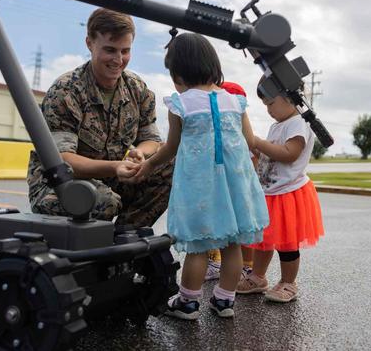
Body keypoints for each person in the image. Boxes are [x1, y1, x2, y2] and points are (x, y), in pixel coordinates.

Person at [133, 33, 269, 319]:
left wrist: (148, 165)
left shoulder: (181, 105)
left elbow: (170, 148)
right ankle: (224, 302)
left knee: (198, 246)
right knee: (233, 244)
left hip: (200, 188)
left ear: (180, 72)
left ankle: (188, 303)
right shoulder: (235, 101)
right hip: (235, 187)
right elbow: (249, 142)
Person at [26, 8, 173, 228]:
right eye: (110, 50)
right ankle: (86, 255)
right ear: (89, 43)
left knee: (171, 167)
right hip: (58, 182)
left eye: (125, 51)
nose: (118, 60)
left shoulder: (136, 88)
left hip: (112, 177)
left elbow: (151, 138)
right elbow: (63, 160)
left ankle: (125, 242)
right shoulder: (66, 91)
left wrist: (140, 153)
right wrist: (115, 166)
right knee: (103, 201)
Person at [237, 89, 324, 303]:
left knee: (287, 244)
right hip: (270, 192)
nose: (269, 110)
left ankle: (288, 282)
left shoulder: (298, 123)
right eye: (265, 105)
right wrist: (253, 149)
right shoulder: (276, 125)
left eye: (271, 103)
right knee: (264, 240)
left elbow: (288, 154)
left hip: (289, 193)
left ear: (290, 98)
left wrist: (257, 142)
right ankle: (258, 277)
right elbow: (270, 155)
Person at [204, 81, 256, 282]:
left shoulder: (241, 138)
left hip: (239, 190)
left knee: (243, 233)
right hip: (223, 189)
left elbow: (254, 162)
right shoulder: (223, 135)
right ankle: (216, 262)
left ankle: (248, 267)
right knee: (220, 229)